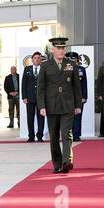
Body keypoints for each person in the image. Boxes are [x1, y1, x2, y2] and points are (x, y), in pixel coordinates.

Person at [37, 38, 82, 174]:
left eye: (63, 48)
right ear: (53, 50)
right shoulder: (45, 65)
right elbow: (41, 88)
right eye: (59, 48)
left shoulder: (71, 64)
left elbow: (76, 87)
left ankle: (67, 161)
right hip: (51, 106)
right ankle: (57, 164)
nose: (62, 50)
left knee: (66, 133)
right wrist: (42, 106)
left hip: (68, 105)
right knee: (54, 136)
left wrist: (78, 105)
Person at [22, 52, 45, 142]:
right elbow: (24, 84)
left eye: (38, 58)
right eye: (35, 58)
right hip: (30, 98)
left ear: (41, 60)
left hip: (41, 98)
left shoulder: (44, 69)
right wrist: (24, 97)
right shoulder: (27, 69)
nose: (37, 59)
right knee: (30, 118)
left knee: (41, 118)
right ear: (32, 60)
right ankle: (31, 136)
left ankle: (40, 136)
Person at [65, 52, 87, 142]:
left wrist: (84, 96)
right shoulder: (65, 69)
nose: (72, 61)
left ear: (77, 60)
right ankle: (68, 135)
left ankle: (76, 135)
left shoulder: (81, 69)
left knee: (77, 116)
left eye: (74, 59)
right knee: (67, 117)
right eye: (70, 59)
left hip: (79, 97)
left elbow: (84, 84)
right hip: (67, 97)